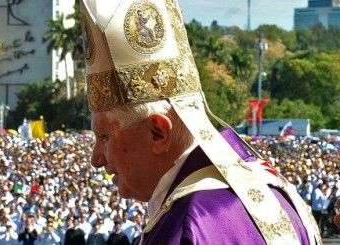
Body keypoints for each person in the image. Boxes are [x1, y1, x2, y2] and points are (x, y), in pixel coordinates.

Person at [81, 0, 321, 243]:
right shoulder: (277, 190)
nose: (96, 159)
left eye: (104, 137)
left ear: (158, 132)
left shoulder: (187, 226)